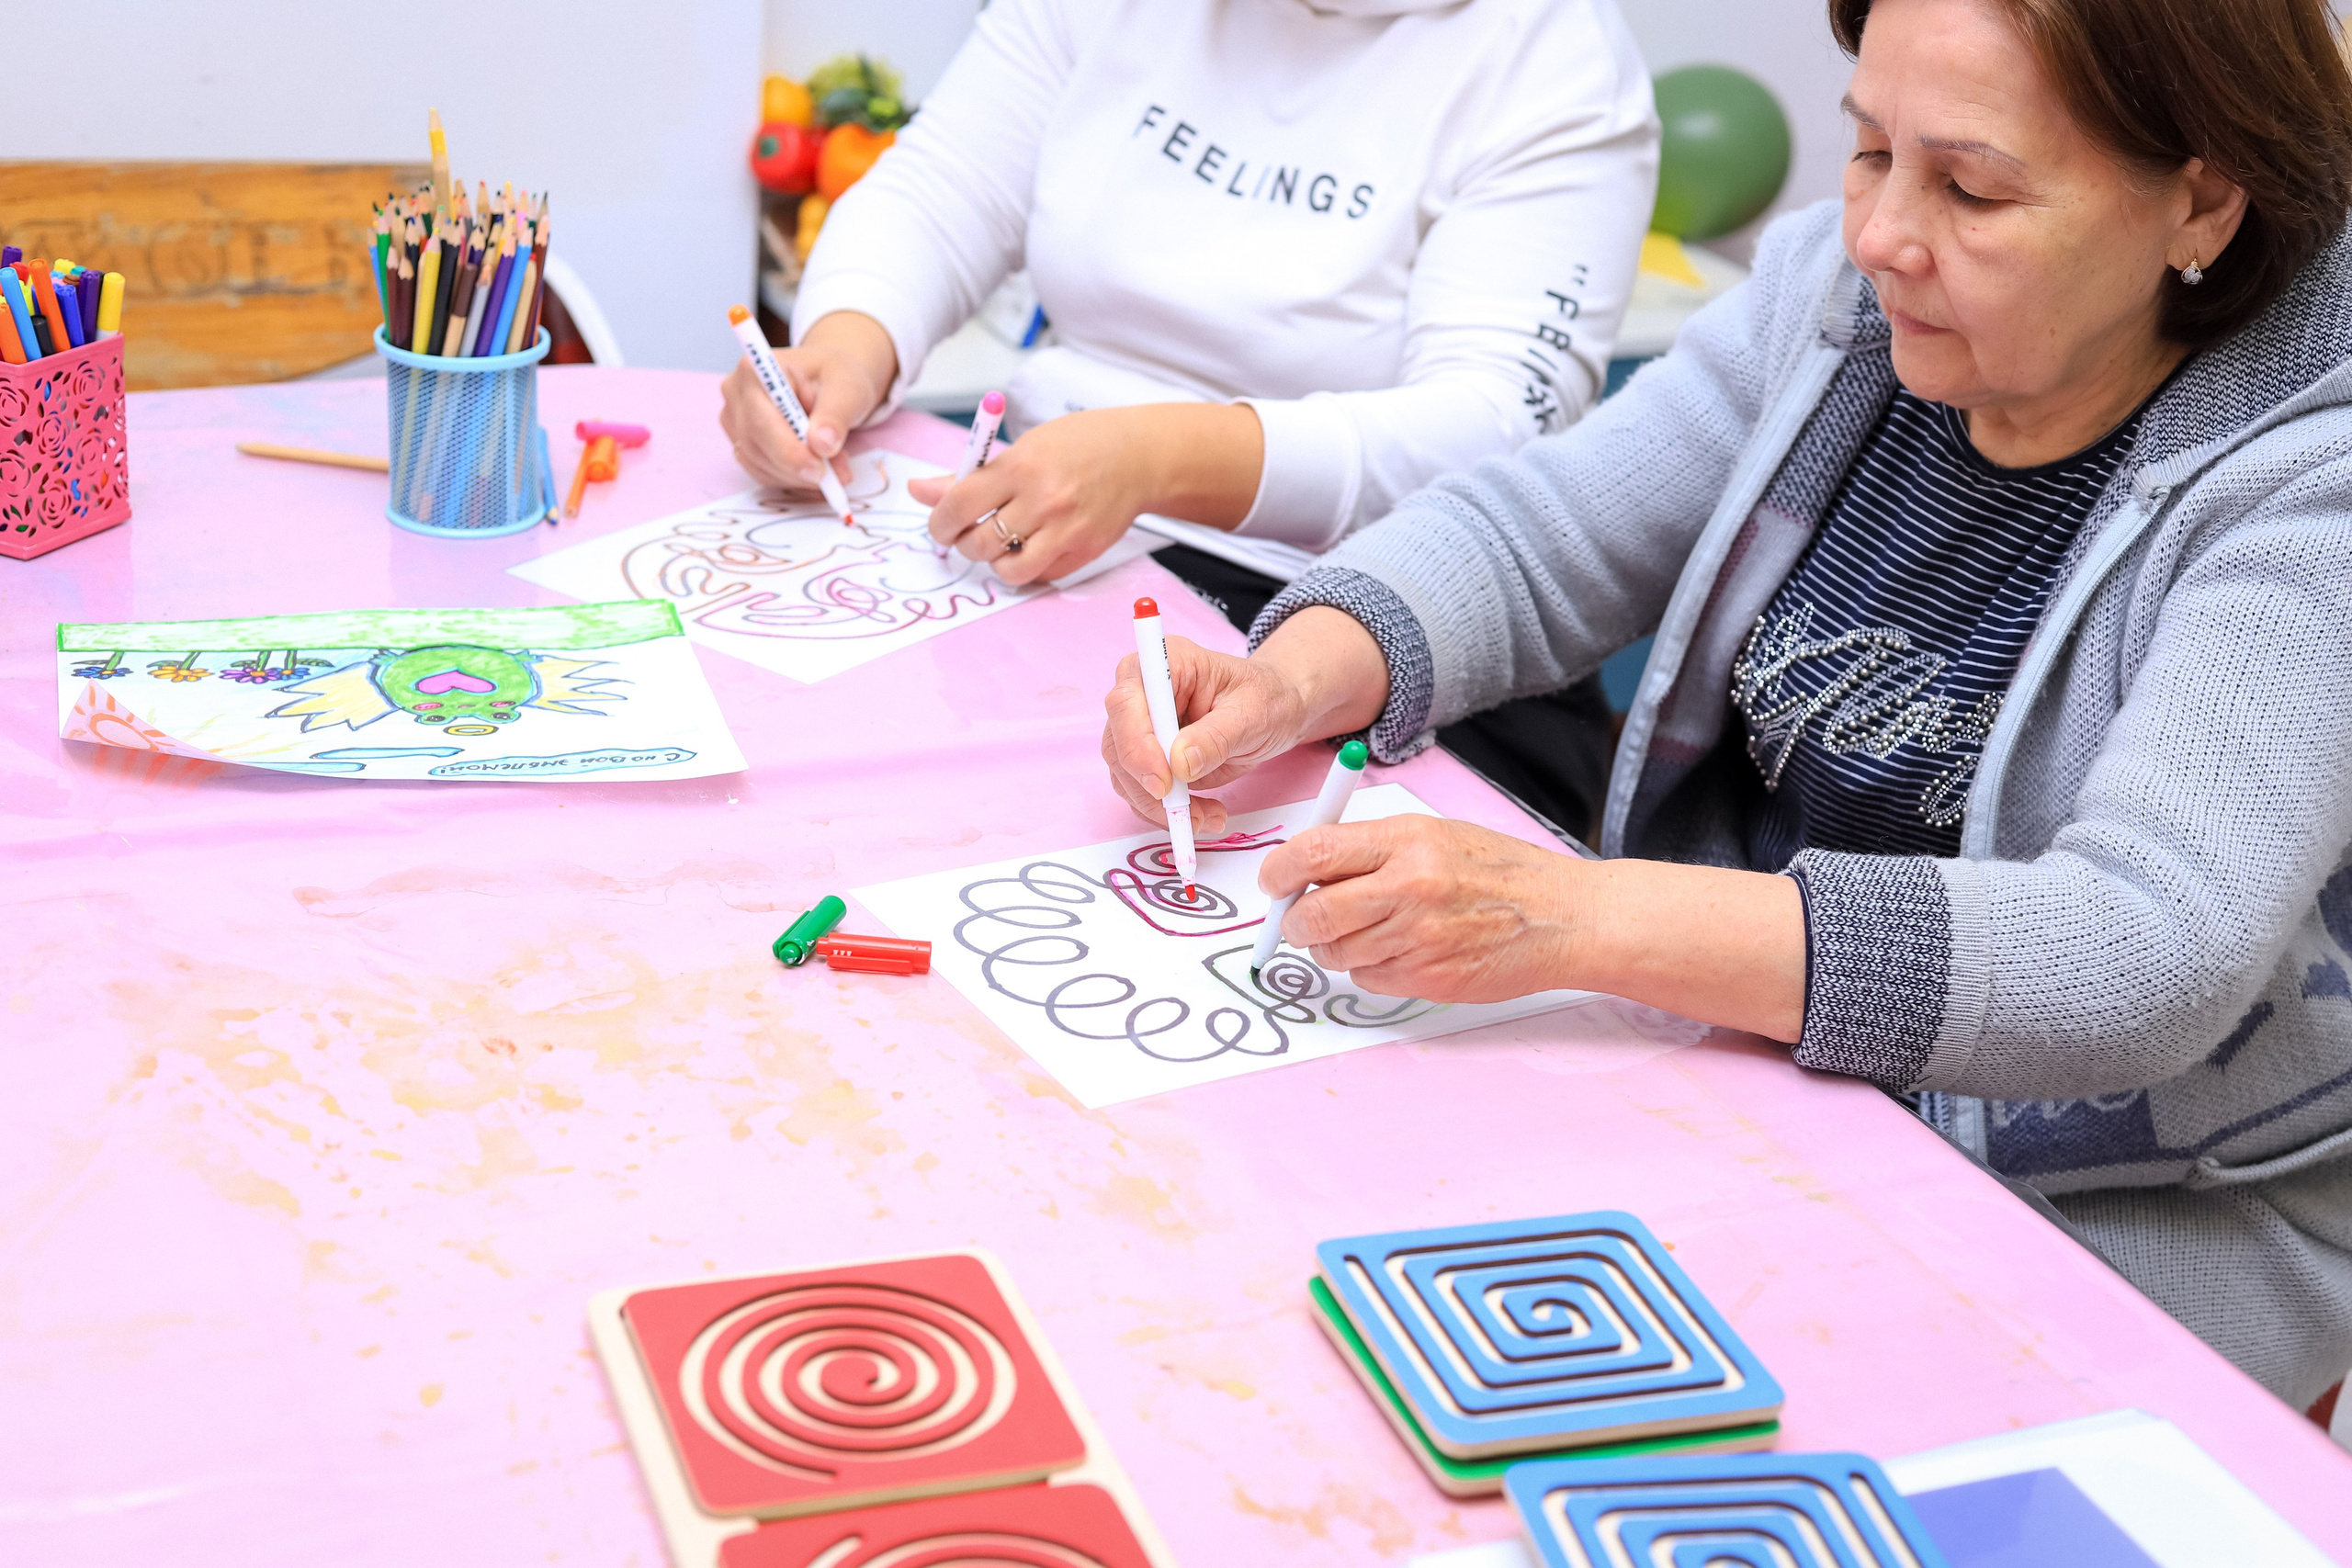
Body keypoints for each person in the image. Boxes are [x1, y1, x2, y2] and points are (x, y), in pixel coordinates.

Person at [1102, 0, 2352, 1407]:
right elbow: (1555, 531)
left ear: (2202, 200)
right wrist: (1297, 670)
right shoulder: (1849, 296)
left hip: (2108, 1202)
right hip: (1745, 1063)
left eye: (1974, 186)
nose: (1882, 232)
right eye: (1870, 148)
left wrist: (1576, 918)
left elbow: (2140, 948)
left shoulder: (2313, 478)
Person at [719, 0, 1656, 590]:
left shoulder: (1552, 60)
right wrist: (844, 351)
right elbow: (942, 190)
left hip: (1336, 604)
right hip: (1036, 533)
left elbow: (1490, 432)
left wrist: (1157, 458)